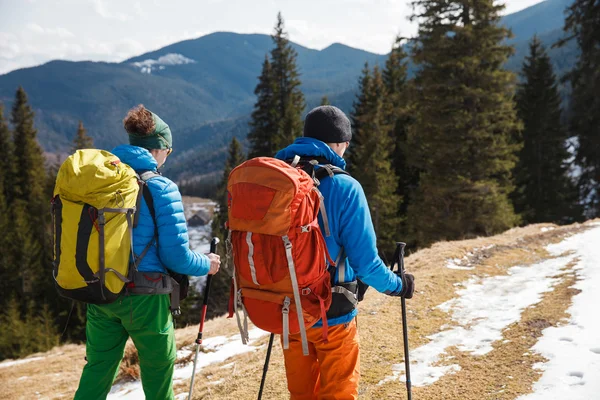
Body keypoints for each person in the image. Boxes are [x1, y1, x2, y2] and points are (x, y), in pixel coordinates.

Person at [74, 105, 220, 400]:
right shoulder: (161, 188)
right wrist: (207, 264)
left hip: (99, 291)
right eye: (169, 150)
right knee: (158, 368)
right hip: (146, 297)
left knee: (98, 369)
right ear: (159, 149)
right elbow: (176, 257)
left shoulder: (101, 183)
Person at [274, 105, 415, 400]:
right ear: (339, 144)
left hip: (288, 310)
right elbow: (366, 264)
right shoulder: (344, 187)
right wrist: (398, 285)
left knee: (301, 395)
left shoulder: (279, 180)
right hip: (332, 315)